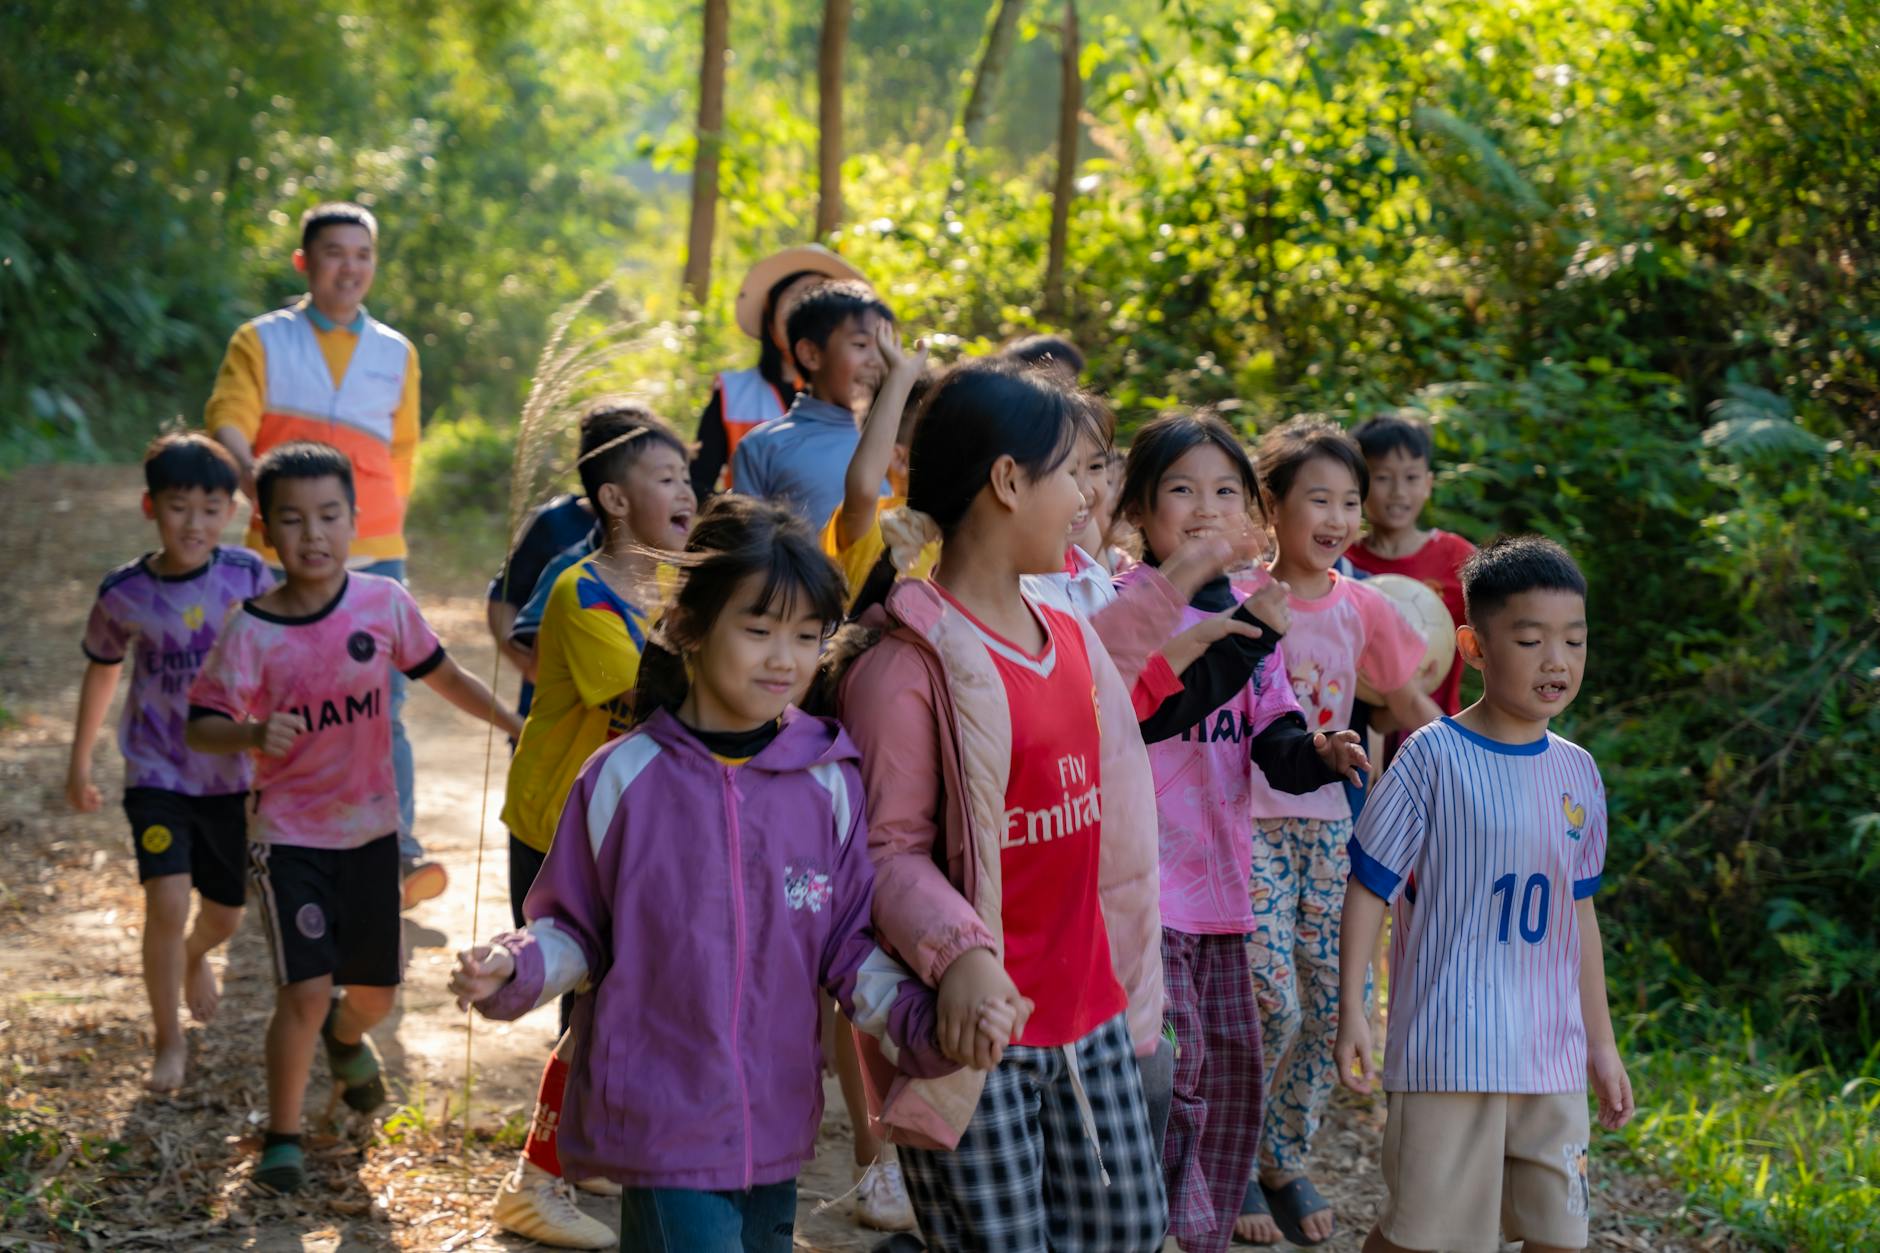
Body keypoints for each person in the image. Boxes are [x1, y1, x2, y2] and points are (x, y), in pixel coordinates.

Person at [450, 496, 990, 1253]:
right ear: (689, 627)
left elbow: (845, 947)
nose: (785, 657)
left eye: (808, 635)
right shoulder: (624, 777)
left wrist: (919, 1023)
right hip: (662, 1121)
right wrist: (513, 965)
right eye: (759, 628)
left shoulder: (829, 779)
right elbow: (575, 928)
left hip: (775, 1120)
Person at [833, 358, 1170, 1252]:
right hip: (975, 1033)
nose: (1089, 502)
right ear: (1009, 481)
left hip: (1088, 1010)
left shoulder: (1067, 633)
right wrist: (963, 957)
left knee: (1128, 1232)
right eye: (1074, 474)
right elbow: (884, 852)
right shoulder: (907, 665)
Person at [185, 442, 521, 1196]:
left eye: (330, 515)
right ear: (265, 531)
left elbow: (446, 675)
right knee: (303, 990)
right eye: (294, 520)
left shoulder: (383, 604)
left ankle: (346, 1039)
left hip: (373, 836)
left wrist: (513, 725)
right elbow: (199, 725)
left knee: (374, 996)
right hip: (289, 838)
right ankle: (283, 1135)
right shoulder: (251, 630)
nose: (314, 534)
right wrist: (246, 734)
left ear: (355, 518)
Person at [1335, 536, 1635, 1253]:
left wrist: (1601, 1042)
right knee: (1425, 1235)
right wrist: (1354, 1006)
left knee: (1560, 1233)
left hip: (1550, 1053)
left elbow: (1578, 913)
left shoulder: (1579, 773)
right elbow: (1370, 883)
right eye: (1530, 639)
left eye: (1574, 640)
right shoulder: (1432, 755)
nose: (1556, 660)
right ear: (1472, 644)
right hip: (1449, 1048)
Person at [1114, 411, 1367, 1253]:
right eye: (1181, 489)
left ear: (1252, 516)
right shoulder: (1124, 610)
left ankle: (1203, 1230)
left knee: (1229, 1075)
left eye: (1225, 490)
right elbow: (1156, 710)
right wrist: (1251, 631)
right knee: (1170, 1078)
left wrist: (1323, 753)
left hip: (1223, 893)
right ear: (1138, 513)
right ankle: (1149, 1226)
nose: (1204, 507)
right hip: (1143, 895)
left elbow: (1275, 745)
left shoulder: (1253, 619)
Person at [490, 404, 695, 1249]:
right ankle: (537, 1181)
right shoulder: (582, 591)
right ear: (614, 500)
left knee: (609, 997)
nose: (688, 488)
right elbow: (651, 695)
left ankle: (582, 1147)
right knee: (590, 1004)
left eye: (688, 475)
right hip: (561, 830)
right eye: (666, 477)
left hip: (628, 829)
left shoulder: (683, 585)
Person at [1236, 417, 1441, 1246]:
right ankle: (1233, 1151)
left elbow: (1412, 705)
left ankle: (1282, 1153)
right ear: (1272, 504)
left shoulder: (1365, 605)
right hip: (1243, 819)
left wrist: (1479, 776)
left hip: (1332, 826)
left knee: (1334, 1000)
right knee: (1269, 998)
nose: (1338, 516)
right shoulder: (1239, 593)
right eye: (1317, 497)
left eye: (1349, 501)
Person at [204, 201, 441, 906]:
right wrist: (255, 489)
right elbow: (228, 419)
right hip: (277, 548)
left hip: (373, 548)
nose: (351, 267)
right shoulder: (263, 339)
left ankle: (396, 846)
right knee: (272, 694)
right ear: (305, 263)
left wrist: (377, 522)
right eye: (335, 253)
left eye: (363, 255)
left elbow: (403, 451)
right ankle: (268, 836)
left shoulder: (396, 350)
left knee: (383, 699)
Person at [66, 433, 274, 1093]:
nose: (197, 523)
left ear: (233, 512)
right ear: (149, 506)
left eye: (213, 508)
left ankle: (193, 956)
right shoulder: (123, 592)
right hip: (156, 770)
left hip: (232, 773)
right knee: (167, 898)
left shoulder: (248, 576)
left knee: (225, 914)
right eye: (180, 506)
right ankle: (168, 1041)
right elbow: (101, 675)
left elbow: (283, 657)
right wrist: (80, 762)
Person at [690, 245, 867, 499]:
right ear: (770, 314)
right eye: (797, 298)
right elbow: (698, 484)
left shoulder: (864, 393)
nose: (809, 313)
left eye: (818, 297)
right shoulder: (733, 393)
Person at [731, 281, 892, 528]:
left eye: (884, 348)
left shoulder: (898, 441)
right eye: (861, 345)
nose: (876, 361)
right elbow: (746, 548)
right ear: (811, 354)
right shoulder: (765, 446)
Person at [1346, 413, 1475, 718]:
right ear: (1358, 484)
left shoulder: (1457, 557)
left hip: (1434, 727)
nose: (1398, 492)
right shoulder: (1342, 562)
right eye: (1382, 478)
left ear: (1428, 483)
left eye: (1411, 478)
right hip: (1355, 733)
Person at [823, 323, 938, 612]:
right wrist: (900, 377)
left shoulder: (962, 533)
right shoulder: (875, 522)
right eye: (946, 441)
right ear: (899, 458)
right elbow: (863, 487)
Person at [487, 491, 596, 716]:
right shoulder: (555, 525)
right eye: (665, 479)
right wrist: (525, 664)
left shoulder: (671, 544)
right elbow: (503, 597)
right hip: (545, 716)